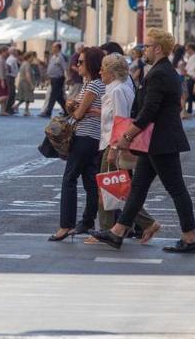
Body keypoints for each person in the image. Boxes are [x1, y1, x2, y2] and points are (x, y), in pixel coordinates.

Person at [91, 29, 195, 253]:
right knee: (138, 187)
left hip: (161, 142)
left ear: (158, 48)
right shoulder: (160, 71)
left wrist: (127, 136)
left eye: (147, 46)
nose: (143, 50)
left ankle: (190, 238)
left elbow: (149, 110)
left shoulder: (160, 73)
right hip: (154, 142)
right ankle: (117, 232)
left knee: (177, 189)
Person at [87, 53, 160, 244]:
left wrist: (113, 149)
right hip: (110, 143)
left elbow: (121, 120)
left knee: (109, 188)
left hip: (114, 145)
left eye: (103, 68)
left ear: (111, 72)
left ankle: (109, 229)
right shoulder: (117, 88)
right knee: (117, 188)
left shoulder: (118, 90)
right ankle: (139, 224)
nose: (100, 71)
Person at [49, 46, 105, 242]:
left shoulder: (93, 85)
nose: (76, 65)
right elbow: (77, 108)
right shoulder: (91, 84)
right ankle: (88, 221)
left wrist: (74, 107)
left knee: (69, 179)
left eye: (81, 62)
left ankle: (66, 225)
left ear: (90, 64)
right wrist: (73, 106)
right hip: (92, 138)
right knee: (90, 182)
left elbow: (79, 114)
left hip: (84, 137)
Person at [40, 42, 68, 117]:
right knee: (59, 97)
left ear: (58, 48)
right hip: (53, 78)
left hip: (58, 79)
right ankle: (66, 111)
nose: (52, 49)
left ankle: (48, 112)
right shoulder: (53, 57)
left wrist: (67, 78)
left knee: (53, 95)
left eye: (54, 47)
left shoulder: (61, 57)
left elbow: (64, 68)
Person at [14, 51, 36, 116]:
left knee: (23, 97)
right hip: (25, 83)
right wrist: (31, 84)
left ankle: (16, 106)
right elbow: (27, 75)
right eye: (32, 57)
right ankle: (26, 110)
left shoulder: (23, 63)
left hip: (22, 82)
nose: (33, 59)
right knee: (27, 97)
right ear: (29, 57)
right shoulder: (27, 64)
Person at [4, 48, 20, 115]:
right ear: (13, 52)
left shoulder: (12, 58)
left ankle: (10, 108)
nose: (17, 52)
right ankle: (8, 109)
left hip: (11, 77)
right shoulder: (12, 58)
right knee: (11, 94)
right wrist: (10, 72)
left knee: (12, 94)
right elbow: (8, 66)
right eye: (16, 51)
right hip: (10, 77)